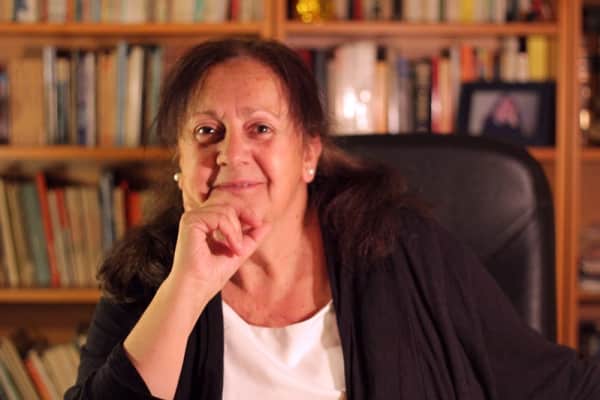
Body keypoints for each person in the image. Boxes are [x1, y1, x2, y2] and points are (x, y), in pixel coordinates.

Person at [65, 38, 600, 400]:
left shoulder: (405, 248)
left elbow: (559, 385)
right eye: (207, 132)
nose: (231, 154)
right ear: (181, 165)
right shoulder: (149, 277)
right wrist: (185, 290)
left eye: (260, 129)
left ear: (309, 155)